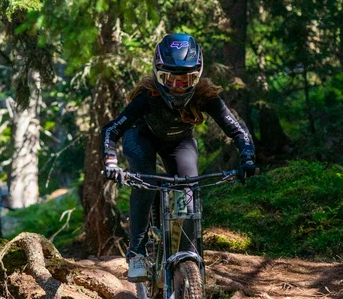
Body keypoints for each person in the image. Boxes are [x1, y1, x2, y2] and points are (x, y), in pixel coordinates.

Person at [100, 33, 257, 282]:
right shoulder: (147, 97)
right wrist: (111, 162)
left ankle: (187, 253)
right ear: (158, 75)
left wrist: (247, 156)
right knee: (144, 176)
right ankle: (137, 253)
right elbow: (112, 129)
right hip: (141, 138)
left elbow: (236, 129)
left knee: (188, 184)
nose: (178, 87)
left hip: (179, 142)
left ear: (197, 76)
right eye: (171, 80)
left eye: (186, 81)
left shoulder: (205, 96)